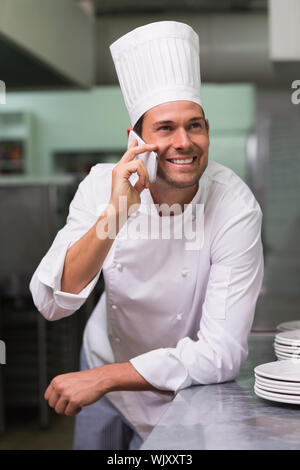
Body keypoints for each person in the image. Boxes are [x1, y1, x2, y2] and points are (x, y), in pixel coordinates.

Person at [29, 21, 264, 450]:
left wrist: (104, 378)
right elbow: (51, 301)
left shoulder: (234, 205)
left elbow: (223, 353)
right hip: (104, 363)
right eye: (165, 128)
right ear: (134, 139)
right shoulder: (102, 185)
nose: (184, 142)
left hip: (182, 382)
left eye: (195, 125)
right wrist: (116, 214)